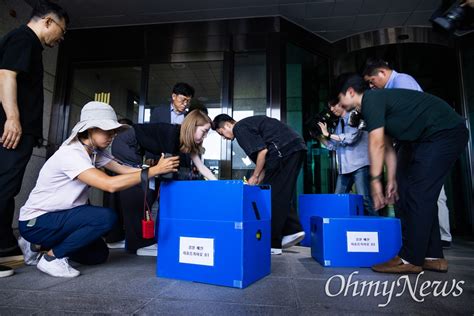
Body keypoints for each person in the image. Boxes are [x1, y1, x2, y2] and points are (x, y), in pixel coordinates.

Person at [17, 101, 180, 277]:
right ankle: (51, 258)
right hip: (37, 220)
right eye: (107, 130)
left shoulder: (95, 152)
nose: (112, 135)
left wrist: (156, 169)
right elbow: (109, 185)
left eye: (114, 131)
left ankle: (36, 245)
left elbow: (124, 169)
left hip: (64, 217)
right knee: (105, 217)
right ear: (89, 129)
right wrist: (155, 170)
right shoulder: (71, 154)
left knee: (98, 255)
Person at [335, 73, 468, 274]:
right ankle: (432, 256)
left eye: (339, 98)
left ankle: (410, 258)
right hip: (420, 140)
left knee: (418, 192)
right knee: (405, 191)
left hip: (443, 132)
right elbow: (388, 147)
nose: (337, 105)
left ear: (350, 92)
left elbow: (377, 143)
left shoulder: (371, 99)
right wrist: (392, 179)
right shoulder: (370, 109)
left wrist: (375, 180)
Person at [0, 0, 68, 277]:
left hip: (20, 132)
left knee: (7, 188)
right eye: (61, 31)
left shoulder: (28, 44)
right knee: (4, 188)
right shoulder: (23, 38)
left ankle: (5, 251)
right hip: (13, 131)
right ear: (48, 21)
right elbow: (6, 75)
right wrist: (13, 118)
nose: (60, 38)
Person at [363, 58, 453, 248]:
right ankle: (429, 242)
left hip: (428, 140)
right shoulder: (388, 90)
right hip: (418, 142)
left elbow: (411, 114)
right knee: (423, 192)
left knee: (429, 193)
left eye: (372, 80)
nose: (371, 86)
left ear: (382, 73)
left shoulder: (401, 81)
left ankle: (440, 237)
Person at [109, 109, 216, 256]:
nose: (205, 136)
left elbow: (201, 167)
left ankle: (135, 240)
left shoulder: (184, 141)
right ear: (193, 126)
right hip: (126, 144)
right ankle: (139, 244)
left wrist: (219, 185)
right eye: (204, 131)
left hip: (137, 149)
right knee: (137, 190)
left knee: (146, 189)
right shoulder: (172, 135)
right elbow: (167, 171)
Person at [213, 114, 306, 255]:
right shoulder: (250, 124)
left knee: (271, 195)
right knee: (278, 191)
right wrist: (257, 179)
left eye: (222, 134)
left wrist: (255, 176)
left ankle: (274, 242)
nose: (224, 138)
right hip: (295, 147)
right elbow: (264, 164)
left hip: (283, 150)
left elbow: (262, 152)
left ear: (227, 125)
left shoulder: (239, 128)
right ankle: (293, 229)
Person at [318, 99, 374, 215]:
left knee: (365, 200)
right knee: (337, 200)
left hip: (360, 165)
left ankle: (379, 228)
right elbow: (334, 146)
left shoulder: (354, 116)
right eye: (330, 107)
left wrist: (328, 134)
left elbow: (351, 138)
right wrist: (320, 137)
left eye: (333, 105)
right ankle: (339, 229)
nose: (332, 109)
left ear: (342, 103)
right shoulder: (339, 123)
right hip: (344, 168)